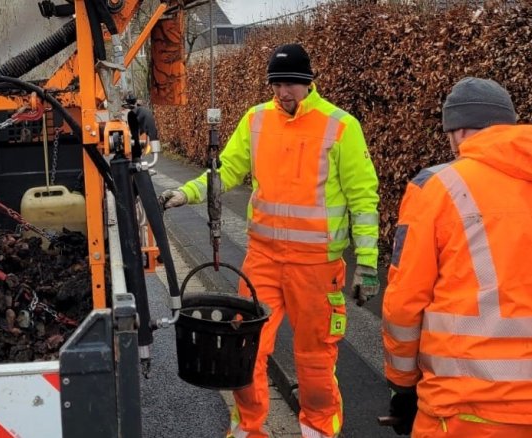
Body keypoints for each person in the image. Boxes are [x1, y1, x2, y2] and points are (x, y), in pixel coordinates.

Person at [159, 43, 379, 438]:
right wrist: (187, 194)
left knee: (314, 363)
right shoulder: (256, 120)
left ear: (309, 83)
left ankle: (318, 431)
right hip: (263, 260)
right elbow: (224, 170)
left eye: (290, 84)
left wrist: (366, 263)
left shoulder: (340, 126)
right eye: (276, 84)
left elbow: (363, 199)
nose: (282, 92)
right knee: (245, 351)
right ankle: (249, 430)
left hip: (318, 267)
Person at [382, 77, 532, 437]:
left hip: (468, 409)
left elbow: (404, 303)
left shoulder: (439, 187)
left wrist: (402, 384)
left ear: (459, 129)